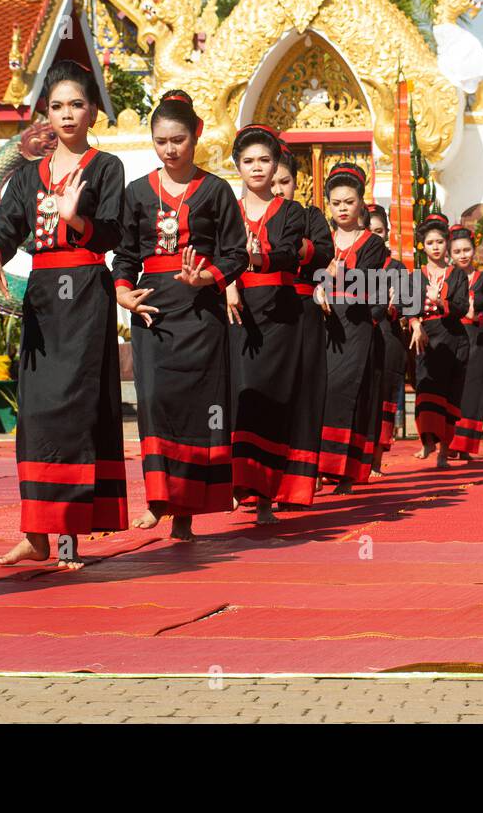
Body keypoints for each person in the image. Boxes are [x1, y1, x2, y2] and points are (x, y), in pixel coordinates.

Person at [0, 60, 128, 569]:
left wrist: (76, 218)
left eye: (77, 104)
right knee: (37, 412)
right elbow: (6, 225)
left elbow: (111, 234)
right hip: (43, 296)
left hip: (85, 292)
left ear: (92, 112)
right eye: (57, 105)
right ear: (47, 113)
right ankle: (35, 531)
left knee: (74, 409)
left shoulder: (106, 168)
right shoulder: (27, 175)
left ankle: (68, 536)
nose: (67, 114)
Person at [113, 91, 248, 542]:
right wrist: (123, 295)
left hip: (201, 314)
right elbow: (126, 256)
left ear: (197, 136)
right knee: (155, 405)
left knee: (196, 409)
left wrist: (207, 278)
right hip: (152, 314)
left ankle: (186, 512)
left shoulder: (216, 191)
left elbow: (236, 254)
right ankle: (158, 500)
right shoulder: (136, 192)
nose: (169, 149)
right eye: (160, 141)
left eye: (178, 140)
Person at [225, 124, 308, 520]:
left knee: (270, 402)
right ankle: (238, 485)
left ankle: (265, 496)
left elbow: (292, 254)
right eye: (248, 161)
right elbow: (209, 253)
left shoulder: (291, 212)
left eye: (264, 160)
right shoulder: (225, 208)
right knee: (237, 397)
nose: (256, 168)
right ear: (236, 166)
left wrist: (257, 258)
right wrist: (227, 282)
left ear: (275, 165)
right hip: (233, 313)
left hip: (278, 315)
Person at [317, 164, 388, 495]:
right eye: (336, 202)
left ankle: (345, 473)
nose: (342, 208)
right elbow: (308, 274)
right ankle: (315, 468)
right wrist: (323, 282)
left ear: (361, 202)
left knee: (347, 392)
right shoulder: (321, 237)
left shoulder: (372, 243)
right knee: (319, 391)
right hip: (322, 322)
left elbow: (366, 282)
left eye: (348, 201)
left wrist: (332, 274)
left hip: (356, 326)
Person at [272, 148, 333, 508]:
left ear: (299, 183)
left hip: (303, 311)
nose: (278, 188)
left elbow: (323, 252)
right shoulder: (247, 213)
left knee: (303, 396)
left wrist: (287, 247)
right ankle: (258, 481)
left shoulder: (311, 217)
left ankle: (295, 487)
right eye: (273, 181)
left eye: (286, 181)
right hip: (261, 311)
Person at [409, 213, 469, 467]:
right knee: (425, 388)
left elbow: (461, 308)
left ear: (447, 244)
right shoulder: (415, 275)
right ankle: (427, 441)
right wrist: (414, 324)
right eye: (430, 242)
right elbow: (408, 306)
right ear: (423, 246)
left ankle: (444, 450)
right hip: (424, 336)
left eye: (440, 242)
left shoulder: (457, 275)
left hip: (453, 338)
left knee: (449, 394)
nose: (435, 247)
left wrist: (438, 300)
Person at [449, 226, 483, 459]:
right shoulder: (447, 276)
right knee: (451, 389)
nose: (462, 255)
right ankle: (447, 443)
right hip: (450, 336)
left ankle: (465, 445)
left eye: (466, 250)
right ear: (450, 253)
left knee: (472, 390)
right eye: (457, 251)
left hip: (476, 337)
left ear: (474, 250)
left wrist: (476, 315)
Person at [366, 204, 408, 473]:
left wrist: (395, 305)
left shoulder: (396, 267)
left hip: (387, 335)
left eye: (379, 230)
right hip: (356, 337)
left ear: (387, 232)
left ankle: (376, 459)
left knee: (383, 397)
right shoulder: (348, 262)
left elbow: (405, 301)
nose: (374, 235)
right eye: (369, 230)